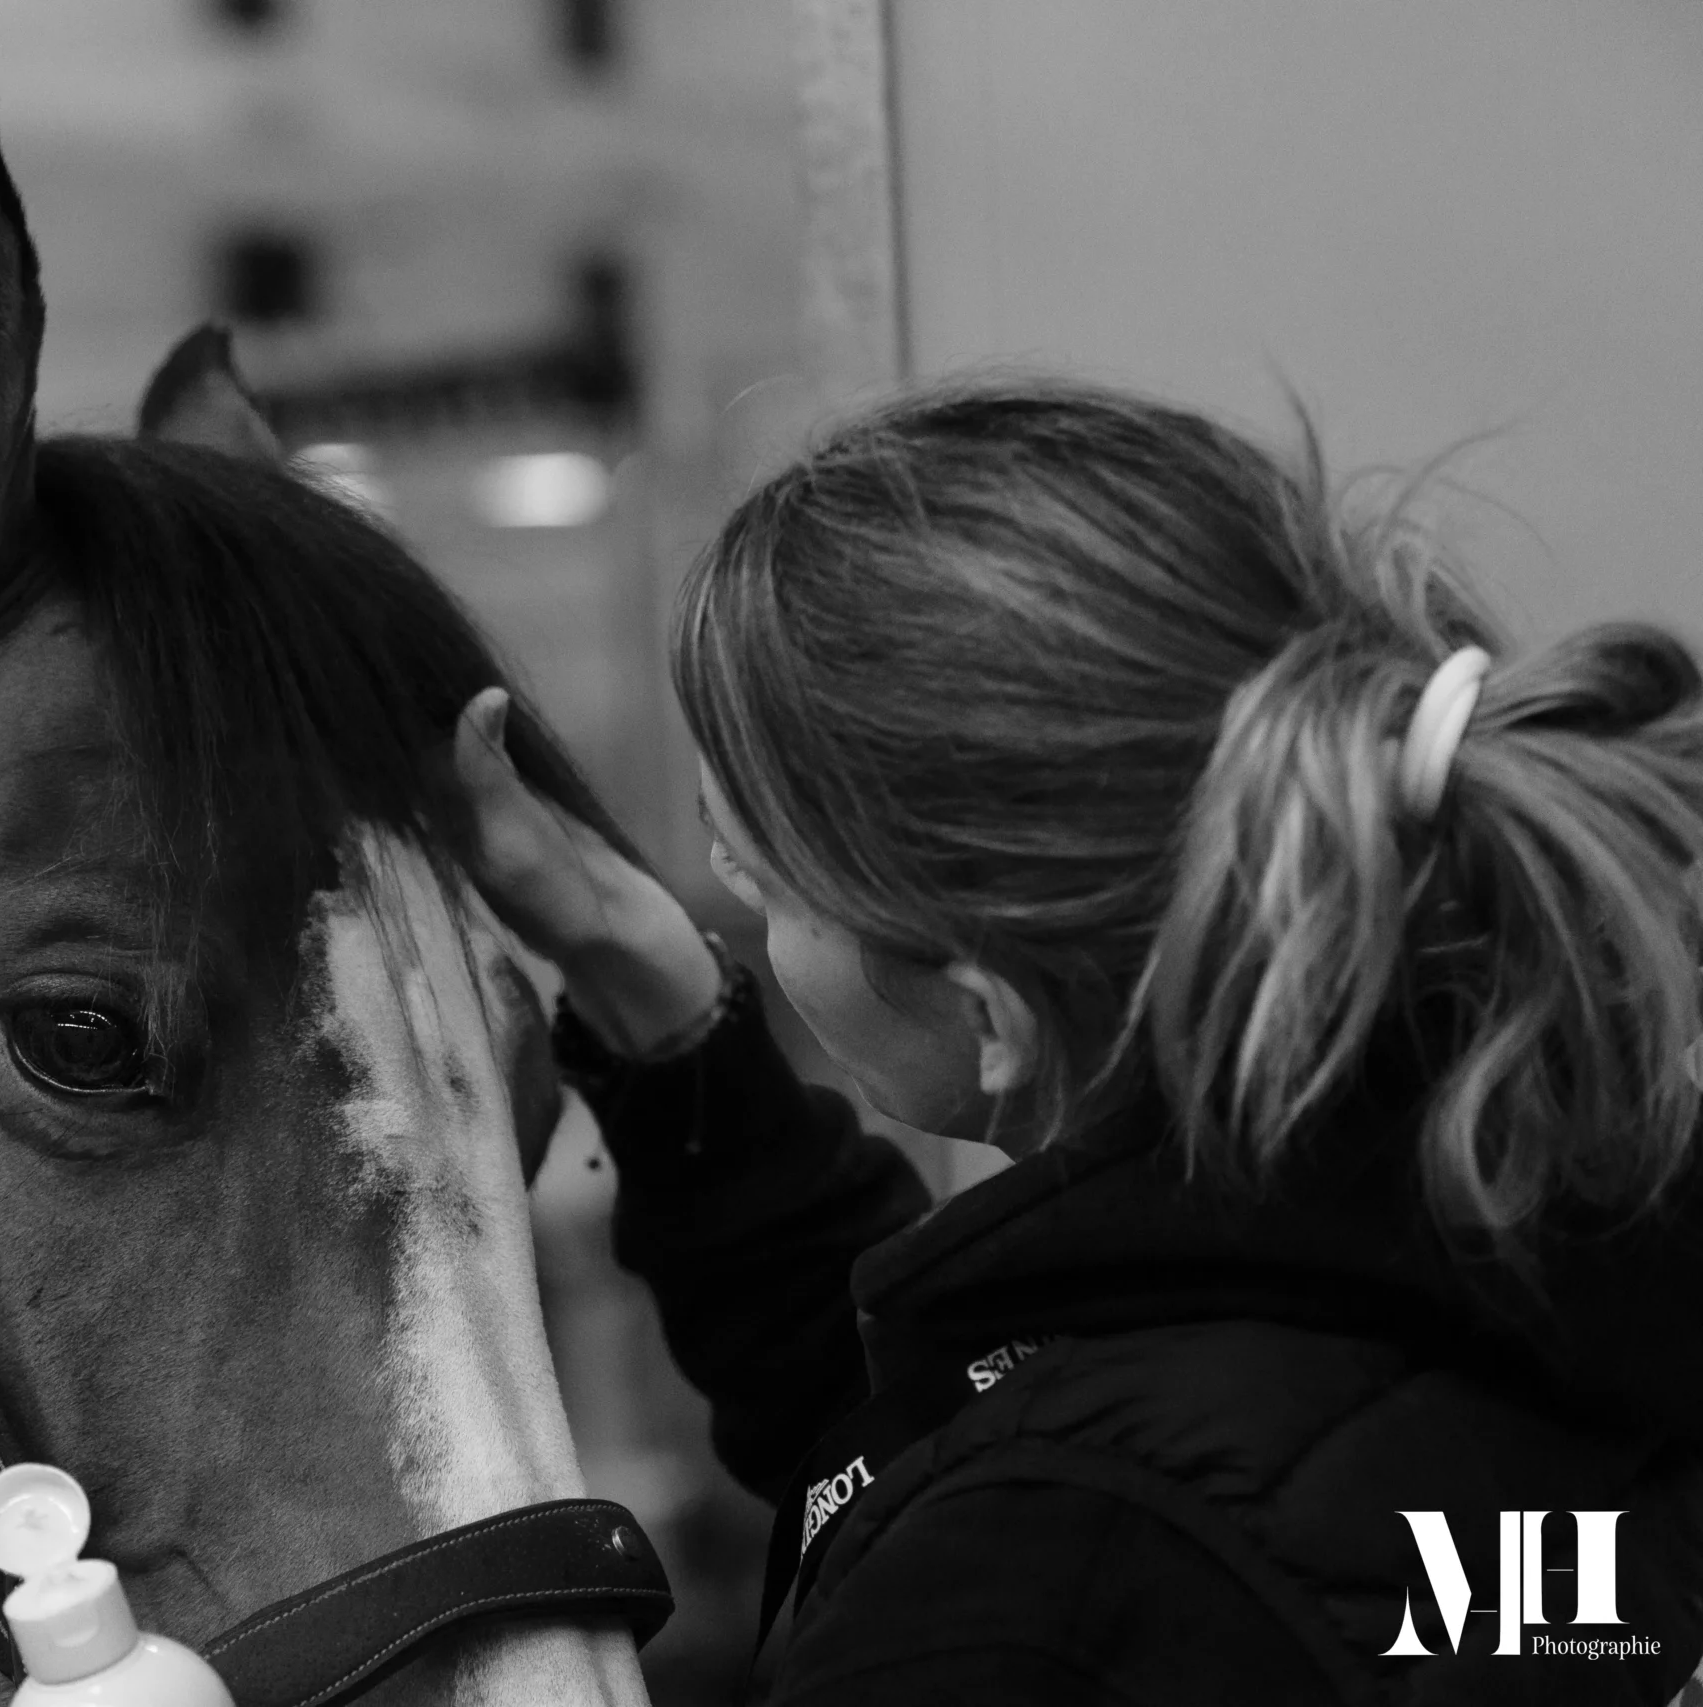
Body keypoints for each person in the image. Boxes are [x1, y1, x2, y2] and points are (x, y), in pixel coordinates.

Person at [450, 375, 1703, 1705]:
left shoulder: (1036, 1584)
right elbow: (974, 1425)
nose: (731, 887)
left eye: (760, 878)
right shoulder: (1533, 1257)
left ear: (991, 1013)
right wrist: (648, 991)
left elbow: (1053, 1525)